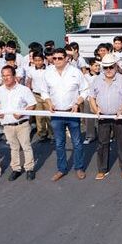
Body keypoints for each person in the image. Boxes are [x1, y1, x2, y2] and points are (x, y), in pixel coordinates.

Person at [40, 48, 89, 181]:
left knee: (77, 142)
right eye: (54, 58)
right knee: (59, 144)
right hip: (56, 114)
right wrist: (48, 102)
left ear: (66, 58)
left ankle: (79, 168)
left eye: (59, 58)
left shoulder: (75, 72)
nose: (56, 61)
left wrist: (77, 103)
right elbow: (43, 91)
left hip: (72, 113)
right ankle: (61, 169)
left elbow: (85, 90)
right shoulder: (47, 73)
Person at [89, 53, 122, 181]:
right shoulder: (97, 80)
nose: (108, 70)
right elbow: (91, 97)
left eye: (111, 67)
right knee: (102, 143)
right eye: (105, 68)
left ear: (116, 66)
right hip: (102, 117)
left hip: (118, 117)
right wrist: (95, 109)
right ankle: (102, 169)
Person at [0, 65, 37, 181]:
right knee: (14, 148)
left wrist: (22, 113)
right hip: (7, 125)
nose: (5, 78)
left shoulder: (23, 89)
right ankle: (16, 169)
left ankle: (29, 169)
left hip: (21, 123)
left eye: (8, 75)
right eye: (3, 76)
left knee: (26, 146)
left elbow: (32, 104)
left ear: (14, 76)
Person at [25, 50, 53, 141]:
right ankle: (42, 134)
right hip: (36, 95)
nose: (38, 62)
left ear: (43, 60)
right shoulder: (30, 70)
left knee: (49, 116)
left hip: (48, 96)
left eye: (40, 60)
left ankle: (52, 134)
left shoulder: (50, 69)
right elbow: (28, 82)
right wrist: (28, 94)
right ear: (33, 60)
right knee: (39, 116)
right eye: (36, 60)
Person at [83, 59, 101, 144]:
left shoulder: (102, 76)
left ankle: (103, 135)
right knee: (89, 118)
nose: (97, 67)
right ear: (90, 67)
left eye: (98, 66)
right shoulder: (85, 76)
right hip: (88, 99)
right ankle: (90, 135)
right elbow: (84, 89)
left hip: (100, 100)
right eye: (95, 65)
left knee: (100, 118)